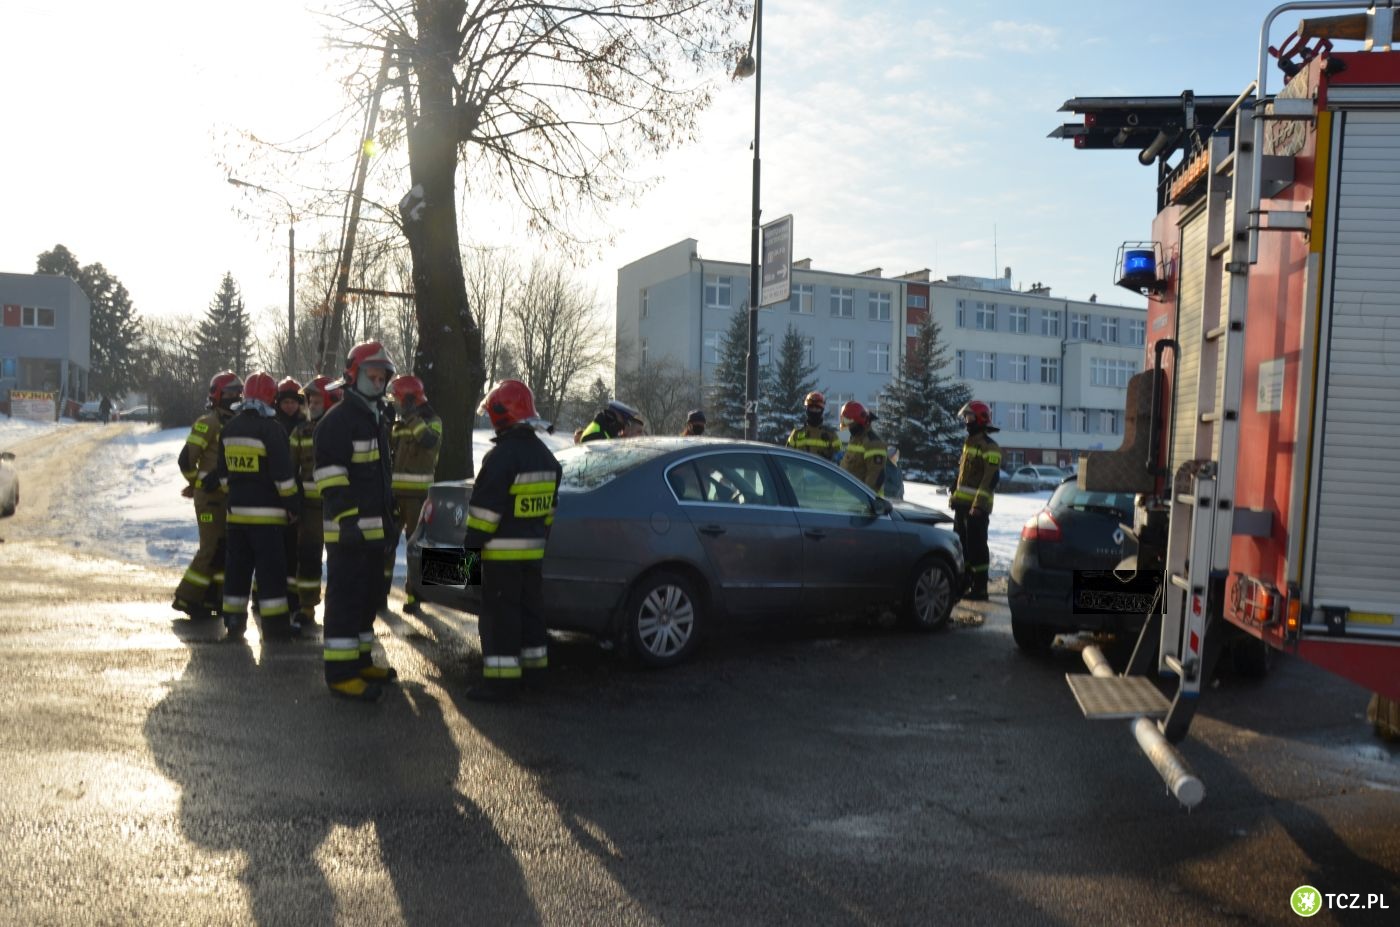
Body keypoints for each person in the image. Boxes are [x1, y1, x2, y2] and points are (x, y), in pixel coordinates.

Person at [463, 379, 562, 702]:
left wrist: (468, 557)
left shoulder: (501, 457)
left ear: (501, 414)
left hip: (499, 558)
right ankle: (536, 676)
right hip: (532, 555)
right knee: (531, 613)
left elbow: (483, 516)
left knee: (499, 619)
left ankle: (500, 685)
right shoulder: (547, 458)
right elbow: (548, 514)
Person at [314, 341, 398, 701]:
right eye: (371, 375)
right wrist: (347, 522)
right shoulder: (339, 421)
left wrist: (389, 521)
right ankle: (341, 674)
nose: (378, 383)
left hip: (373, 532)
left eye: (382, 377)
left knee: (367, 600)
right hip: (348, 532)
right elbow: (331, 478)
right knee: (346, 602)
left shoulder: (375, 418)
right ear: (353, 375)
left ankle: (361, 660)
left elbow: (379, 477)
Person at [212, 372, 300, 640]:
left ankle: (234, 621)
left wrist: (237, 496)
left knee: (237, 571)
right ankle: (275, 626)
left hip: (236, 516)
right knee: (270, 572)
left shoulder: (229, 428)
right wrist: (293, 504)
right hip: (268, 518)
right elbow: (283, 477)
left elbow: (223, 475)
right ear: (271, 398)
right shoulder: (272, 429)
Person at [172, 372, 242, 621]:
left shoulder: (235, 422)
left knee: (223, 549)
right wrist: (198, 484)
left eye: (238, 392)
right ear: (218, 395)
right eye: (230, 393)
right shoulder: (208, 422)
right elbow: (186, 460)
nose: (235, 397)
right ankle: (187, 597)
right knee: (210, 548)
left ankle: (214, 597)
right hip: (210, 498)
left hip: (225, 497)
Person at [385, 374, 442, 615]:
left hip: (419, 496)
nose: (397, 403)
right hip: (395, 494)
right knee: (386, 544)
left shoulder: (432, 421)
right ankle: (379, 592)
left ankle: (415, 596)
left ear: (409, 398)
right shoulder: (400, 423)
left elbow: (428, 442)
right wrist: (387, 423)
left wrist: (412, 417)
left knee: (416, 546)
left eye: (399, 399)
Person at [290, 376, 340, 636]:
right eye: (310, 399)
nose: (311, 403)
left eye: (317, 398)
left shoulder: (343, 428)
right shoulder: (300, 431)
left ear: (330, 399)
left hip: (338, 507)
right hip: (310, 509)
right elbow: (290, 467)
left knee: (340, 560)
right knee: (308, 558)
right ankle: (306, 607)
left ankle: (340, 610)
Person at [951, 400, 1001, 601]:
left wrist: (978, 506)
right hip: (962, 506)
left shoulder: (990, 447)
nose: (966, 421)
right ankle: (966, 583)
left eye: (970, 417)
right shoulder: (968, 444)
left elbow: (990, 479)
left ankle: (980, 587)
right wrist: (955, 491)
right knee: (962, 546)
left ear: (980, 418)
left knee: (977, 547)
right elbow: (965, 475)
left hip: (977, 509)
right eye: (965, 417)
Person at [274, 377, 306, 620]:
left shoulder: (305, 425)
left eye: (293, 402)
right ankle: (266, 594)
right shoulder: (273, 425)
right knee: (276, 548)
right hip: (277, 492)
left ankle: (292, 597)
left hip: (298, 491)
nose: (290, 407)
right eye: (285, 402)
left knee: (293, 550)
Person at [838, 400, 887, 494]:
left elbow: (874, 479)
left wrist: (864, 503)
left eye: (849, 421)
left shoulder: (874, 443)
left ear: (858, 420)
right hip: (847, 500)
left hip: (861, 503)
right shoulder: (855, 440)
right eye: (845, 421)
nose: (848, 425)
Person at [786, 391, 840, 460]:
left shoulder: (831, 434)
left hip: (820, 470)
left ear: (822, 410)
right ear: (806, 409)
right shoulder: (797, 432)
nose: (814, 411)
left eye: (817, 409)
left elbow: (838, 458)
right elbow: (788, 456)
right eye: (811, 408)